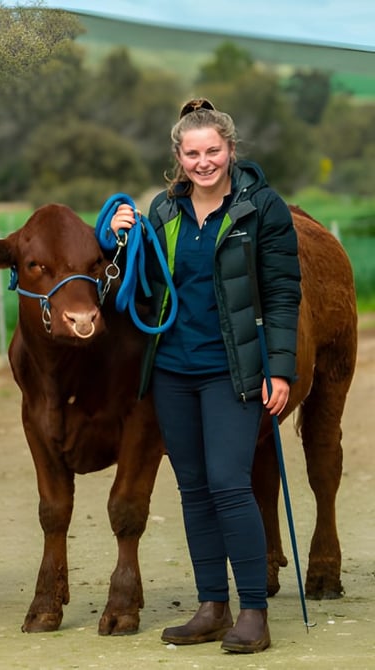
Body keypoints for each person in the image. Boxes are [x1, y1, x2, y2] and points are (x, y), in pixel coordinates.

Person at [105, 98, 300, 654]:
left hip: (234, 370)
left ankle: (254, 613)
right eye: (192, 153)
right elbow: (143, 289)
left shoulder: (262, 209)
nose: (203, 161)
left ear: (231, 150)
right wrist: (122, 239)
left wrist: (279, 370)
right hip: (172, 370)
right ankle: (212, 605)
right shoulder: (163, 213)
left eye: (213, 150)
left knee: (229, 485)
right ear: (178, 157)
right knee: (193, 490)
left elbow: (284, 296)